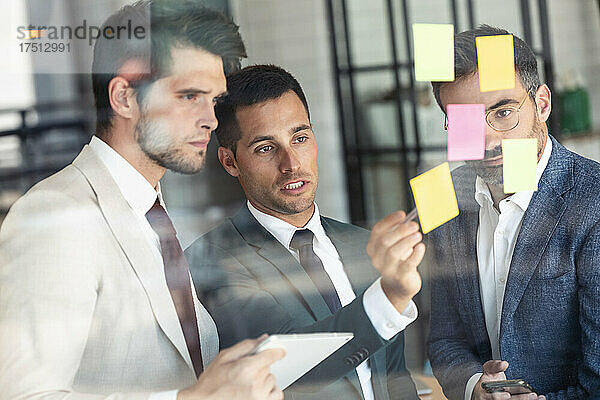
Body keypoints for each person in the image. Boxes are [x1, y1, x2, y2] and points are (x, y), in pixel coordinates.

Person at [0, 2, 284, 399]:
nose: (212, 120)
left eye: (213, 99)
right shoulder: (56, 215)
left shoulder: (154, 214)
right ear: (124, 97)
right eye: (189, 96)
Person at [185, 64, 425, 400]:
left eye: (300, 138)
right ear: (230, 161)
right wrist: (390, 298)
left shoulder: (362, 245)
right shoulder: (209, 260)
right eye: (266, 148)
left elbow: (394, 377)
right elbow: (286, 366)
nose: (292, 163)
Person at [427, 25, 600, 400]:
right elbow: (444, 340)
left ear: (542, 104)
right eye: (465, 122)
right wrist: (475, 385)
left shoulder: (594, 200)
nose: (488, 140)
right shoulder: (443, 196)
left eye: (503, 112)